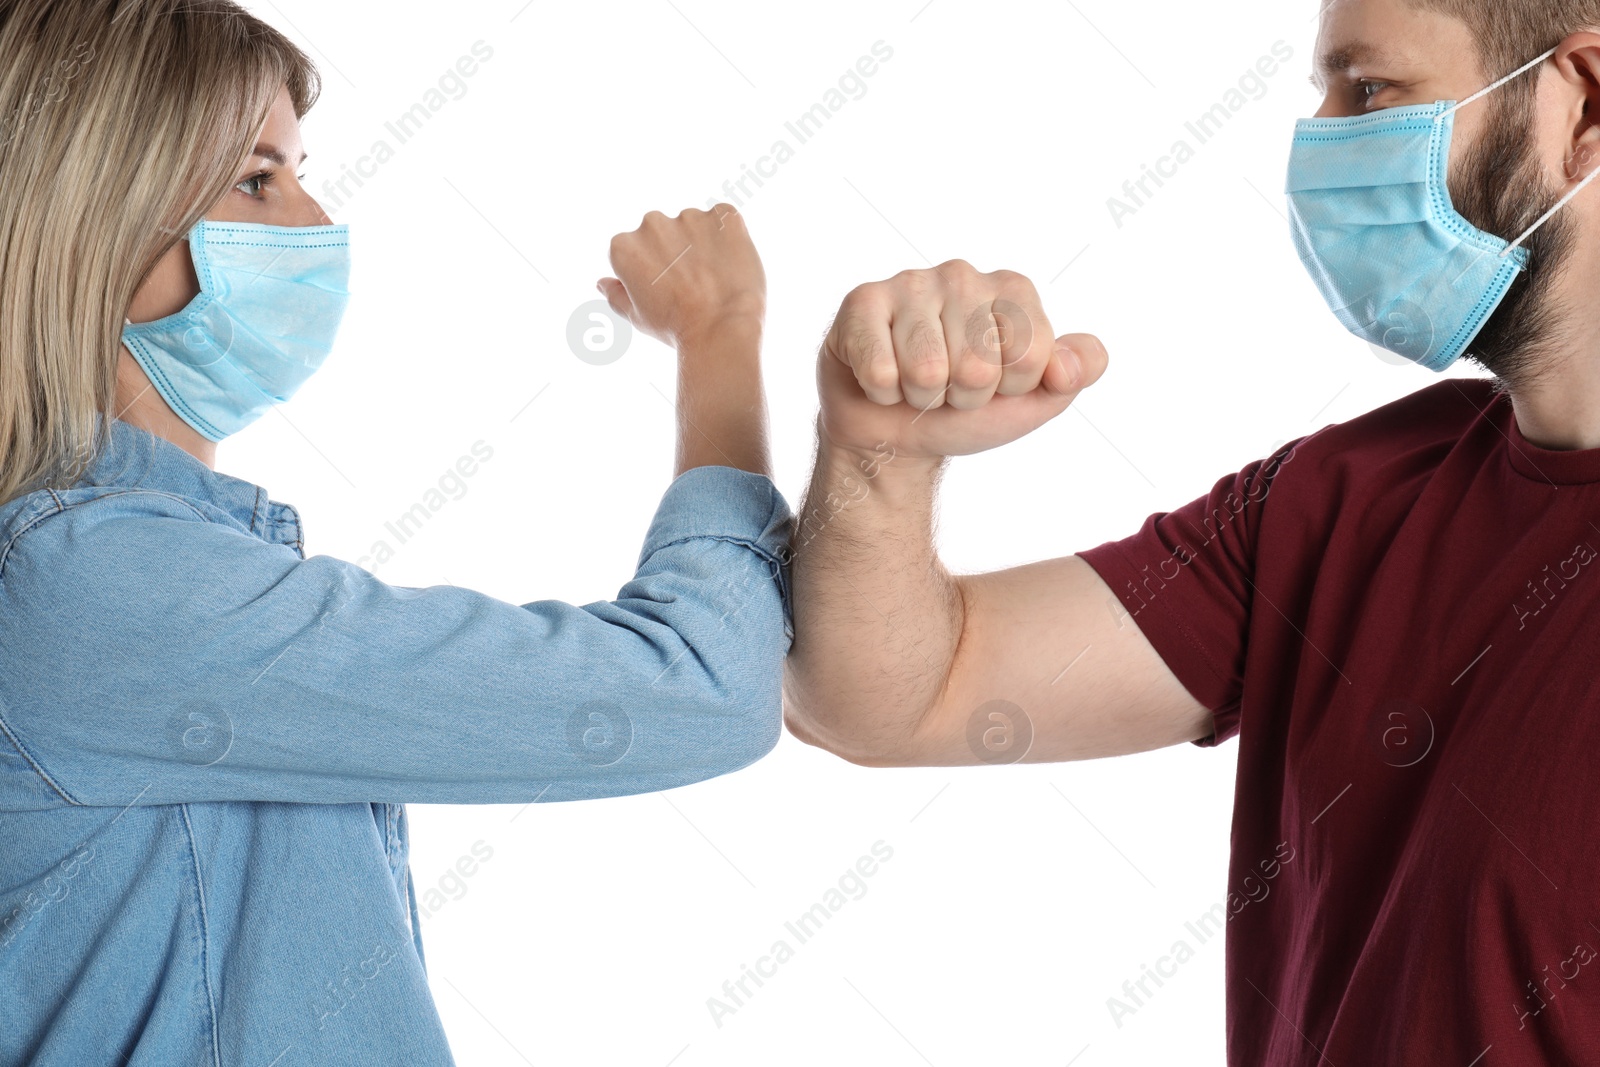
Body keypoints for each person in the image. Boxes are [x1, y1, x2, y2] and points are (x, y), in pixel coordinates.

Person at [783, 0, 1600, 1062]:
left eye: (1369, 91)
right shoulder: (1347, 496)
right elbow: (883, 700)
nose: (1321, 146)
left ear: (1582, 103)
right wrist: (879, 455)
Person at [0, 1, 788, 1063]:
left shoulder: (124, 566)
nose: (314, 217)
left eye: (300, 169)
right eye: (256, 178)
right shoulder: (96, 584)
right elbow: (698, 688)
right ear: (88, 220)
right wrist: (722, 337)